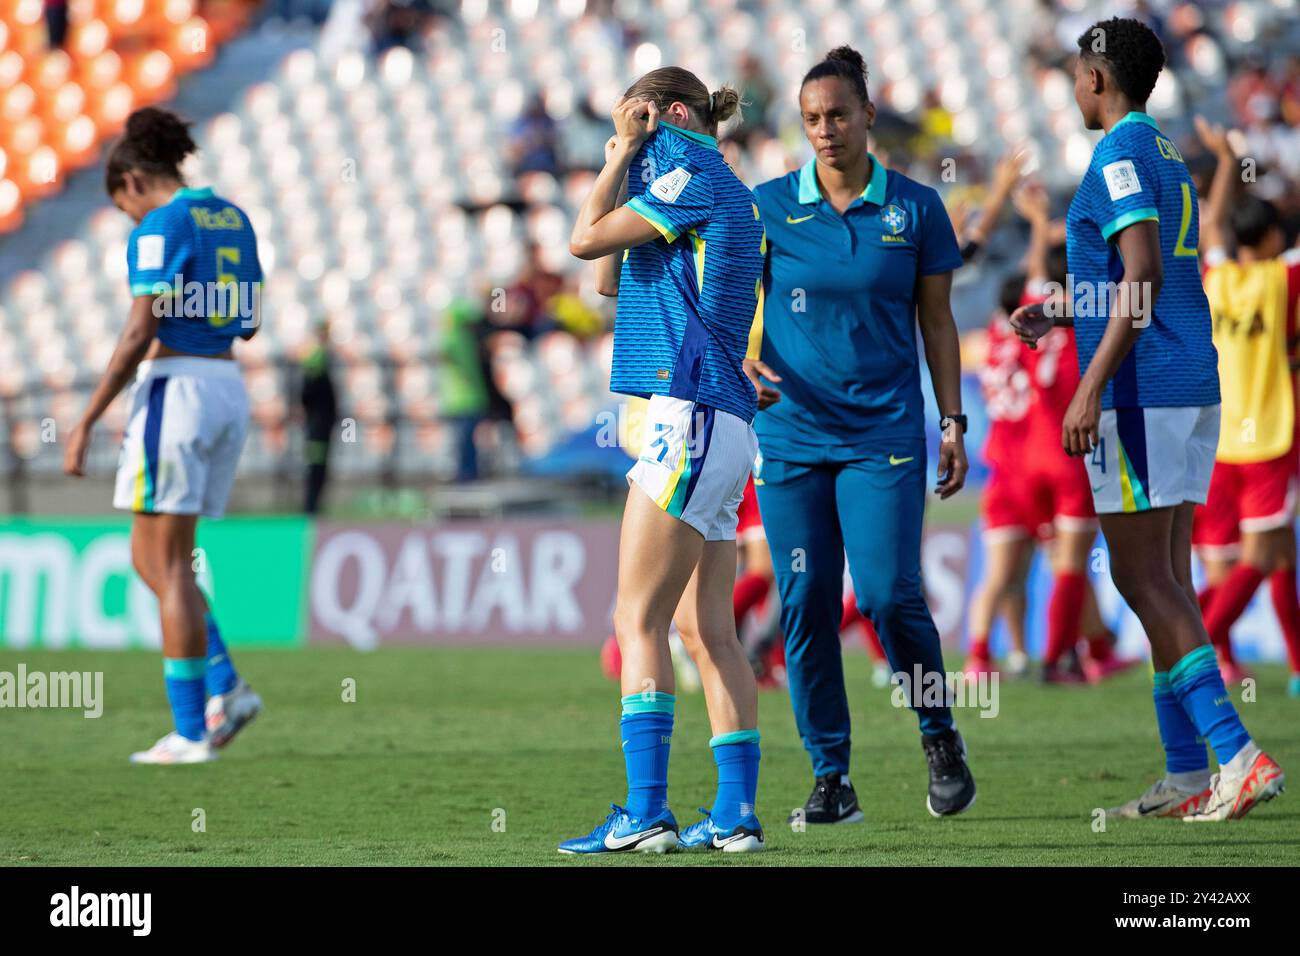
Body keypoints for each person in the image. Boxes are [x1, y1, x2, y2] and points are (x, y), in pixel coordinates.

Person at [1011, 17, 1284, 821]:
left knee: (1139, 576)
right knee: (1167, 579)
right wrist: (1063, 309)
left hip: (1142, 392)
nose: (1071, 83)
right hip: (1189, 384)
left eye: (1076, 71)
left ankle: (1236, 754)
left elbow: (1142, 273)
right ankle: (1185, 772)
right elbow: (1139, 279)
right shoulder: (1165, 153)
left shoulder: (1120, 153)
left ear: (1099, 78)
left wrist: (1090, 384)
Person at [747, 46, 976, 824]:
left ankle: (939, 733)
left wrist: (952, 421)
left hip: (885, 434)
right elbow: (730, 304)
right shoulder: (767, 207)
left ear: (869, 115)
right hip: (790, 438)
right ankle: (830, 778)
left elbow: (938, 324)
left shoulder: (917, 209)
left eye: (838, 115)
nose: (825, 131)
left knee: (885, 596)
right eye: (811, 118)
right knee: (805, 601)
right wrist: (739, 361)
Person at [563, 67, 767, 853]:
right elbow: (608, 280)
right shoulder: (718, 187)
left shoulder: (688, 172)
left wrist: (617, 156)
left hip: (686, 416)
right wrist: (624, 157)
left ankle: (646, 810)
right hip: (722, 423)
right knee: (706, 628)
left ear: (669, 114)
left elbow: (581, 242)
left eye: (637, 118)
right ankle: (736, 816)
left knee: (635, 616)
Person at [62, 108, 263, 763]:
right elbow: (250, 321)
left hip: (177, 387)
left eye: (121, 205)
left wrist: (88, 417)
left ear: (131, 180)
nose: (126, 217)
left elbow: (137, 332)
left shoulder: (160, 225)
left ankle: (191, 731)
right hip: (227, 387)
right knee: (151, 560)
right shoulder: (233, 218)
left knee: (169, 564)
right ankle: (227, 687)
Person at [1190, 118, 1300, 696]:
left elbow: (1213, 222)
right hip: (1272, 439)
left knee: (1280, 555)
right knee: (1260, 557)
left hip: (1223, 440)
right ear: (1275, 239)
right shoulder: (1284, 281)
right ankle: (1198, 646)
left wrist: (1230, 162)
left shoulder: (1219, 279)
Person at [300, 319, 338, 513]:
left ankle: (313, 507)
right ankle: (311, 508)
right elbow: (308, 392)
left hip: (320, 423)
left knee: (318, 466)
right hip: (318, 424)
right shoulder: (317, 357)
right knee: (316, 466)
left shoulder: (321, 356)